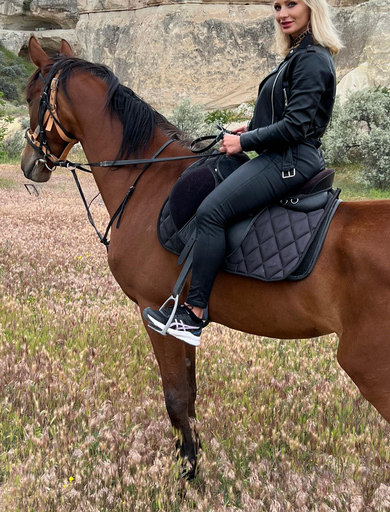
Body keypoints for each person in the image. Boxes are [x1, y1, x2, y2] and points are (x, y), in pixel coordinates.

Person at [144, 0, 342, 346]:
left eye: (291, 4)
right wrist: (248, 128)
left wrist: (244, 142)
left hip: (289, 161)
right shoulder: (300, 54)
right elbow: (289, 113)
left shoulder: (311, 58)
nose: (282, 12)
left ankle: (194, 313)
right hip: (282, 154)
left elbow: (297, 126)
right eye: (277, 5)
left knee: (210, 212)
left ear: (312, 7)